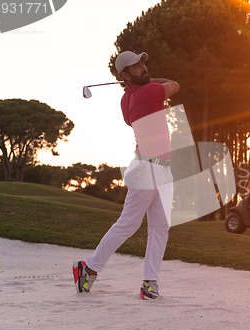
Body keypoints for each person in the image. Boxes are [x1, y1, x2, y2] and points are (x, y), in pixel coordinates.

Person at [73, 51, 180, 300]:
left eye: (143, 62)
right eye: (137, 66)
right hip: (147, 169)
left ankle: (149, 283)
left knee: (160, 228)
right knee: (128, 224)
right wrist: (150, 80)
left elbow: (153, 87)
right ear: (124, 74)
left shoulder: (127, 99)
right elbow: (174, 85)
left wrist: (142, 79)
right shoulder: (148, 92)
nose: (143, 67)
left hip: (162, 169)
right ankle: (87, 269)